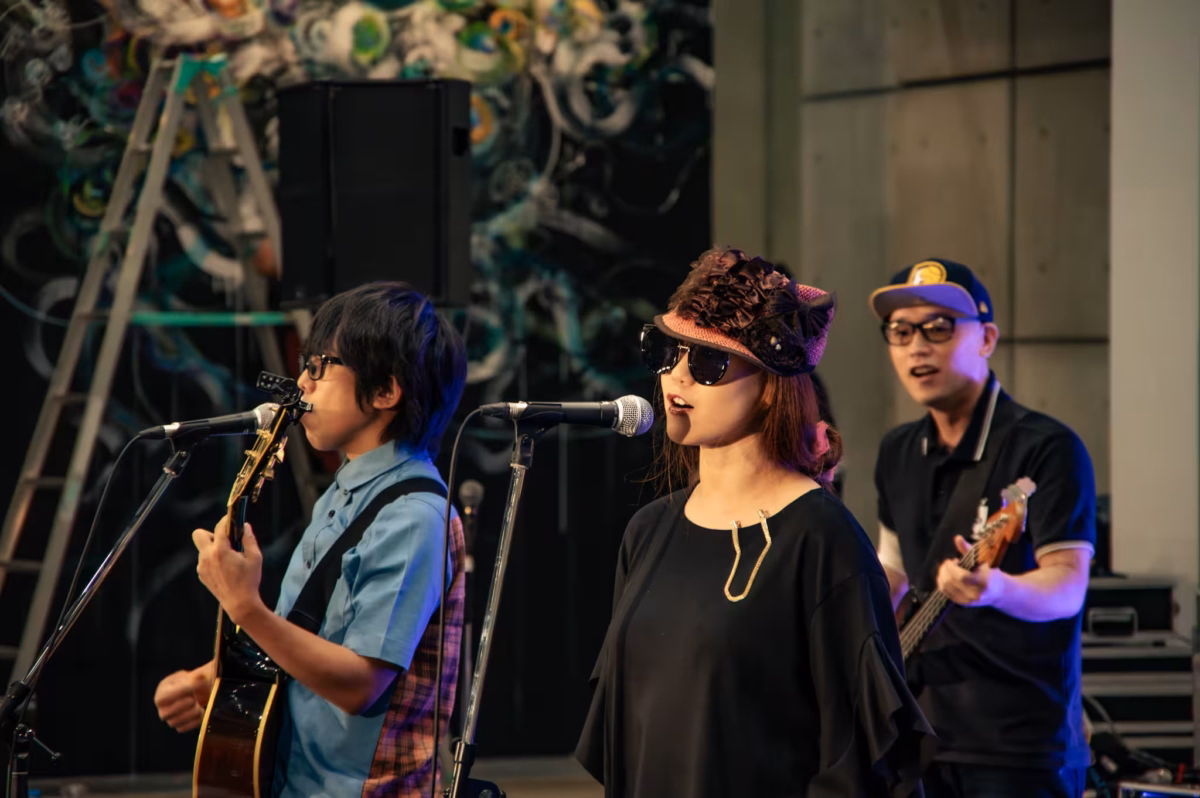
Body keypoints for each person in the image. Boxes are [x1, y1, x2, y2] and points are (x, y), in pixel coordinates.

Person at [577, 248, 931, 798]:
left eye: (709, 362)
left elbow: (856, 761)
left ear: (769, 387)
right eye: (669, 352)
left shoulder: (821, 537)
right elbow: (627, 735)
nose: (677, 376)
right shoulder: (648, 531)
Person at [152, 281, 468, 797]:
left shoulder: (415, 516)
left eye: (320, 367)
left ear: (386, 391)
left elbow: (360, 683)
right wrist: (209, 676)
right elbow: (307, 634)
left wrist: (244, 606)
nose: (300, 384)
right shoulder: (347, 490)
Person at [870, 258, 1096, 798]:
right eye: (900, 332)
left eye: (938, 327)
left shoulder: (1044, 447)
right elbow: (893, 573)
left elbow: (1067, 585)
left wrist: (994, 587)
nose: (916, 346)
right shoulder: (898, 450)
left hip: (1016, 744)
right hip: (917, 730)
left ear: (988, 338)